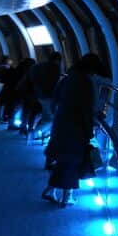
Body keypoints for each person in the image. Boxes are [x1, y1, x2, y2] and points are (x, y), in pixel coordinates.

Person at [42, 54, 109, 206]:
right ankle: (66, 197)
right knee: (72, 160)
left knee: (65, 160)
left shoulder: (67, 78)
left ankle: (52, 191)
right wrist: (90, 126)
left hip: (62, 123)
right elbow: (86, 108)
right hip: (76, 126)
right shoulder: (86, 82)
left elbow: (55, 100)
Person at [29, 52, 62, 138]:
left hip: (39, 94)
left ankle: (43, 133)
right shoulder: (54, 67)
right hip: (48, 95)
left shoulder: (39, 66)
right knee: (50, 118)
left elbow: (33, 78)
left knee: (46, 116)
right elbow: (54, 83)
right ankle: (35, 134)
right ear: (57, 60)